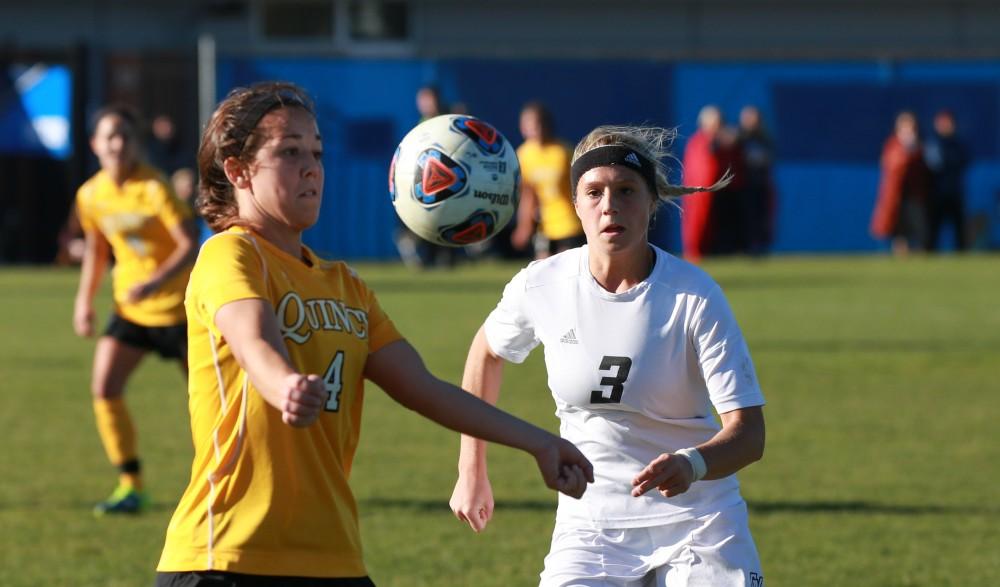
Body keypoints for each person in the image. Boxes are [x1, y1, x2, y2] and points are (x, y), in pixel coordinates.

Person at [155, 81, 593, 586]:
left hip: (333, 558)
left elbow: (423, 389)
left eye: (316, 152)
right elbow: (251, 340)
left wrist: (538, 442)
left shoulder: (346, 285)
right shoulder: (231, 255)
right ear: (237, 171)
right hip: (227, 558)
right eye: (289, 152)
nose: (311, 167)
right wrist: (285, 386)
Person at [450, 125, 766, 586]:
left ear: (651, 201)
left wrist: (692, 464)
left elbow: (749, 434)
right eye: (593, 192)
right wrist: (471, 469)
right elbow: (486, 352)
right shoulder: (541, 285)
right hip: (592, 527)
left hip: (700, 522)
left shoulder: (694, 295)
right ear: (574, 204)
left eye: (626, 190)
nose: (609, 205)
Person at [73, 104, 196, 515]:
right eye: (110, 135)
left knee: (208, 401)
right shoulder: (90, 194)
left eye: (125, 135)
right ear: (95, 145)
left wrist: (157, 281)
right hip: (131, 309)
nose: (118, 143)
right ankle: (131, 485)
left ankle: (225, 483)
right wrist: (84, 302)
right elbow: (96, 248)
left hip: (179, 311)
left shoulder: (154, 187)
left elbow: (188, 243)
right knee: (104, 388)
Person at [395, 85, 460, 269]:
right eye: (422, 100)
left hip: (452, 181)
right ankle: (419, 249)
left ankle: (447, 257)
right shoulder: (421, 126)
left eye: (429, 99)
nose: (425, 104)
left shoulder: (450, 120)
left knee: (448, 218)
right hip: (429, 182)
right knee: (429, 219)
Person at [511, 101, 585, 260]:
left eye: (537, 123)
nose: (533, 129)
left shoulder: (563, 152)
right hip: (545, 226)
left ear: (547, 125)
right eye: (528, 124)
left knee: (567, 270)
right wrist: (524, 226)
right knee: (542, 269)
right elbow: (528, 194)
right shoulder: (523, 155)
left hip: (570, 224)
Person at [681, 105, 743, 261]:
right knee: (701, 223)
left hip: (725, 192)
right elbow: (700, 169)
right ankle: (699, 252)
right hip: (704, 193)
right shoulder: (700, 142)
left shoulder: (728, 144)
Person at [870, 110, 930, 255]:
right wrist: (906, 153)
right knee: (899, 232)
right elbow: (891, 165)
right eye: (904, 125)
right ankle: (901, 257)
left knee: (920, 229)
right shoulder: (893, 145)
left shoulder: (921, 146)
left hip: (915, 195)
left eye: (910, 125)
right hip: (896, 195)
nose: (908, 129)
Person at [923, 109, 969, 251]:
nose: (945, 125)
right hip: (936, 194)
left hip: (955, 193)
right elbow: (932, 166)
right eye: (941, 123)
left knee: (959, 232)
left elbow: (962, 161)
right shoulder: (932, 144)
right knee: (932, 232)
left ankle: (962, 260)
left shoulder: (959, 144)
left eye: (947, 122)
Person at [738, 105, 778, 255]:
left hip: (760, 184)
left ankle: (760, 247)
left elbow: (769, 159)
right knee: (746, 217)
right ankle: (746, 246)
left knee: (762, 218)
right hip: (744, 185)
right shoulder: (740, 138)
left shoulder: (764, 139)